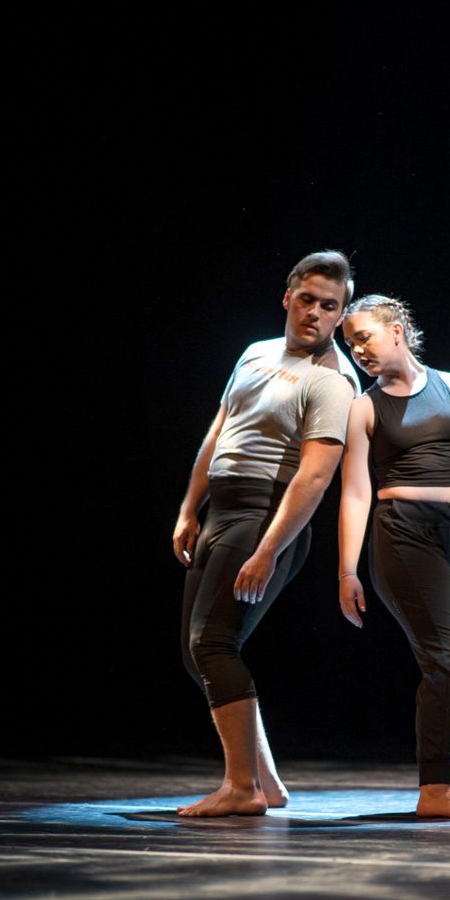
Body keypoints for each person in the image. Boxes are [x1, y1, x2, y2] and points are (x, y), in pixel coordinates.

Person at [173, 251, 360, 817]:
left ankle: (242, 789)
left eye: (330, 307)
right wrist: (189, 507)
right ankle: (267, 783)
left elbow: (316, 475)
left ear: (340, 313)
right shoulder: (255, 352)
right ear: (288, 297)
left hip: (266, 516)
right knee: (196, 651)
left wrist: (268, 549)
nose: (315, 314)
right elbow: (221, 427)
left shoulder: (334, 380)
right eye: (307, 300)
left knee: (213, 645)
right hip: (222, 509)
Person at [338, 295, 450, 820]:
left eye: (363, 337)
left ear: (397, 331)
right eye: (350, 344)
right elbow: (354, 493)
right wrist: (347, 569)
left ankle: (448, 768)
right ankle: (434, 788)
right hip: (403, 536)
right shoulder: (365, 407)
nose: (357, 350)